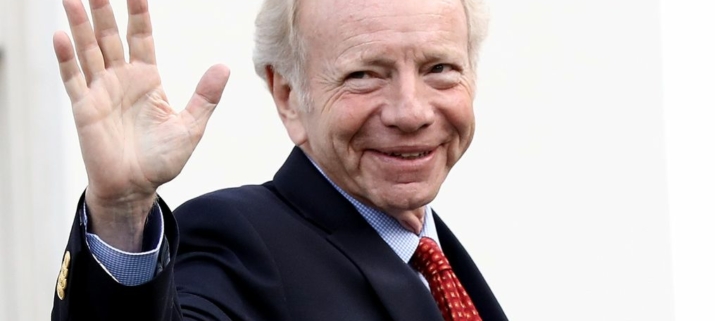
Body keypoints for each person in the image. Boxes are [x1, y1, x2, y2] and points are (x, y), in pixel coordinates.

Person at [50, 0, 507, 320]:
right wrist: (122, 212)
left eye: (440, 69)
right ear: (288, 97)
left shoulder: (435, 257)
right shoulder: (240, 243)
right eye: (364, 74)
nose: (411, 112)